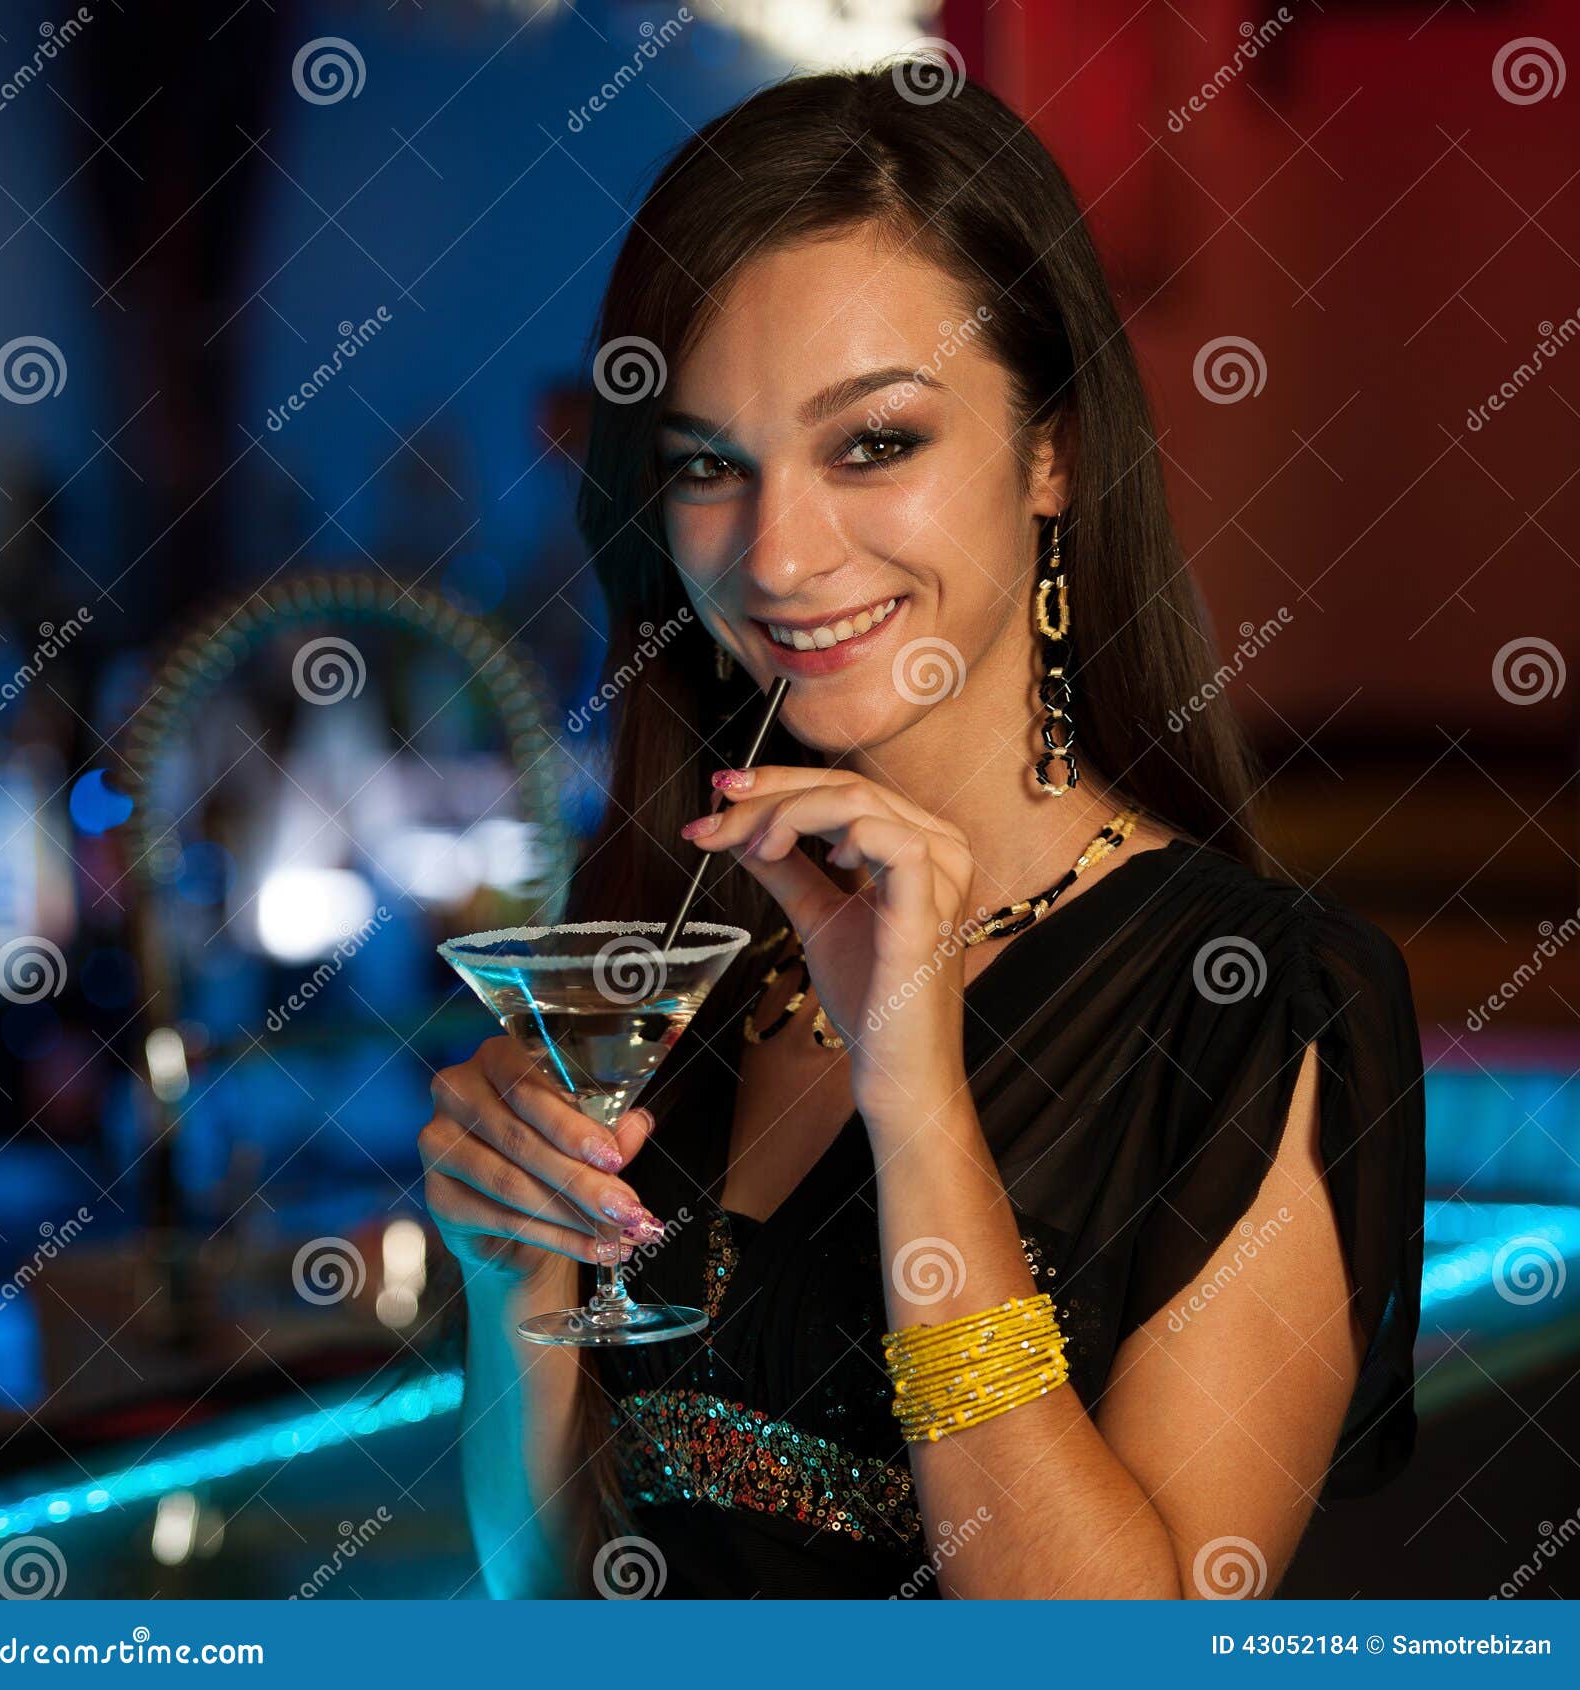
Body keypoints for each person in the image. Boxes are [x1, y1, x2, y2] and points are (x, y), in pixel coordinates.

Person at [418, 62, 1424, 1600]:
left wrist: (919, 1100)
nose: (781, 551)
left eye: (873, 442)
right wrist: (513, 1286)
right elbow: (558, 1599)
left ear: (1053, 452)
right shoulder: (675, 970)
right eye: (708, 465)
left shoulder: (1250, 1000)